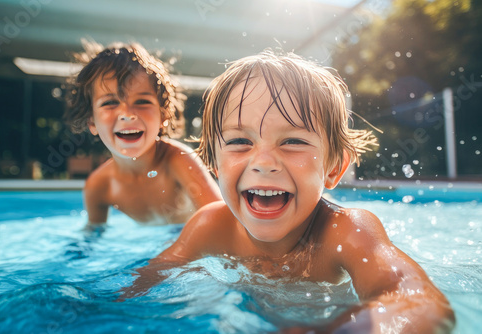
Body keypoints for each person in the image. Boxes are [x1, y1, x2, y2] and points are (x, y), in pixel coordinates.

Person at [120, 50, 455, 333]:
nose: (264, 162)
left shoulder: (346, 232)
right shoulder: (211, 226)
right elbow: (145, 283)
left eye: (293, 141)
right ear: (215, 166)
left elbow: (419, 300)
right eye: (240, 142)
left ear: (334, 167)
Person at [64, 41, 221, 225]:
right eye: (110, 103)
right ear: (92, 122)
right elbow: (92, 238)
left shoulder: (178, 160)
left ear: (163, 114)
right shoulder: (99, 186)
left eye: (142, 102)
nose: (128, 115)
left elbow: (220, 219)